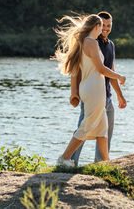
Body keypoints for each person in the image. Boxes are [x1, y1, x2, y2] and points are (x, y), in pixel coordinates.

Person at [52, 14, 126, 167]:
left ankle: (105, 163)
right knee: (86, 126)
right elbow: (99, 68)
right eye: (102, 25)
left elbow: (103, 68)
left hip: (97, 89)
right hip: (93, 89)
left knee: (102, 129)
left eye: (109, 25)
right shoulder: (91, 43)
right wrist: (119, 76)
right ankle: (65, 158)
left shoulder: (93, 42)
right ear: (97, 26)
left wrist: (119, 94)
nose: (105, 29)